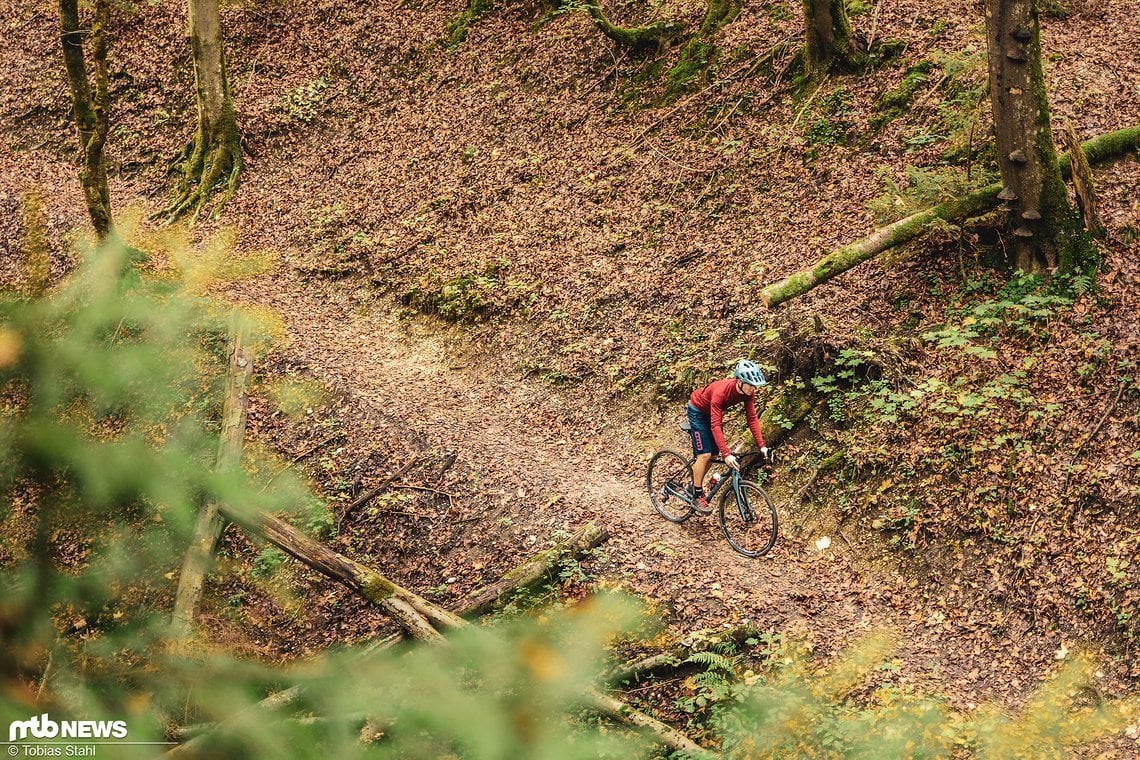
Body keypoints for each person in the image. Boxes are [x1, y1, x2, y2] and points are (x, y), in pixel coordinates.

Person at [685, 359, 771, 513]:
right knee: (704, 454)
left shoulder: (747, 393)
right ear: (739, 382)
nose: (753, 389)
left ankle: (693, 483)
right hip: (697, 411)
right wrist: (727, 454)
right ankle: (696, 495)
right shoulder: (721, 392)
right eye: (750, 384)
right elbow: (715, 425)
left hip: (711, 414)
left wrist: (762, 446)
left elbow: (752, 419)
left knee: (714, 454)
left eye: (754, 385)